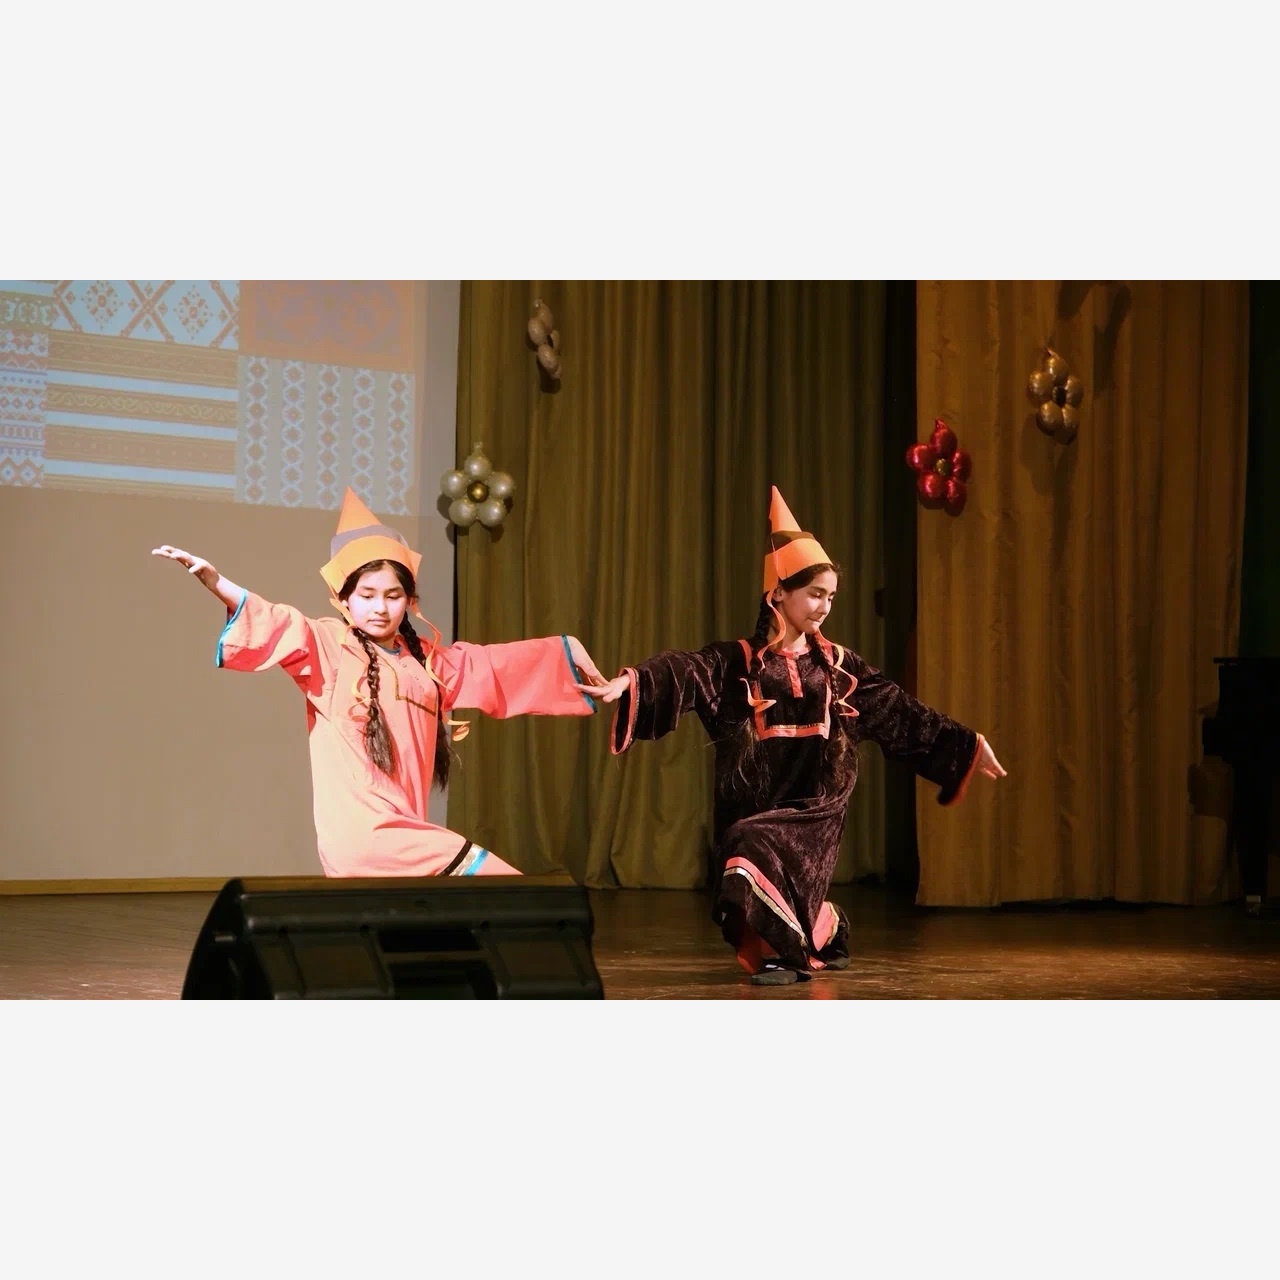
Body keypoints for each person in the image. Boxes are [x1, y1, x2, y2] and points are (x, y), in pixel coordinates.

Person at [581, 486, 1007, 985]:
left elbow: (901, 711)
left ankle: (789, 957)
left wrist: (966, 745)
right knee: (745, 850)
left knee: (751, 843)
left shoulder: (839, 667)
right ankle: (822, 928)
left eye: (831, 596)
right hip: (757, 796)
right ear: (779, 592)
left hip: (817, 802)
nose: (824, 606)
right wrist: (630, 681)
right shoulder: (738, 661)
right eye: (815, 594)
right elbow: (684, 669)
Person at [153, 488, 607, 878]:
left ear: (410, 600)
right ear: (344, 600)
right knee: (501, 886)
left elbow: (491, 666)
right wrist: (218, 583)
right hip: (367, 835)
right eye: (366, 595)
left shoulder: (426, 662)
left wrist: (566, 652)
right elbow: (280, 622)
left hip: (405, 827)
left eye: (393, 596)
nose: (380, 608)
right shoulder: (331, 647)